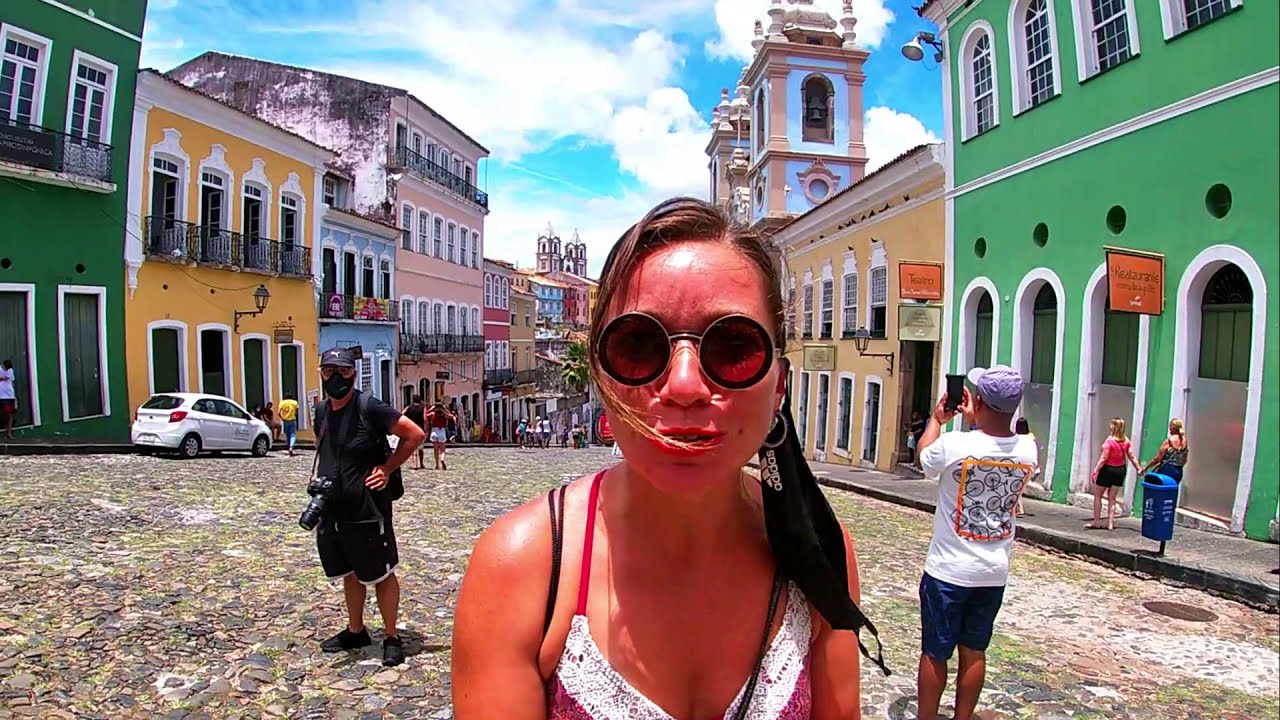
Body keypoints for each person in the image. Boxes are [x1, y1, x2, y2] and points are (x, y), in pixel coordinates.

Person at [451, 197, 887, 718]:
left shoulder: (819, 553)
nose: (684, 386)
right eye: (637, 345)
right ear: (600, 378)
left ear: (779, 388)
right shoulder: (521, 567)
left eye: (733, 347)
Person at [915, 365, 1039, 720]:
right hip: (992, 570)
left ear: (978, 400)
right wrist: (977, 420)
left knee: (935, 652)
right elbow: (994, 447)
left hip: (948, 570)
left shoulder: (956, 444)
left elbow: (927, 457)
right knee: (975, 650)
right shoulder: (1028, 451)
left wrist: (938, 420)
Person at [311, 347, 425, 667]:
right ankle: (356, 629)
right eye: (329, 371)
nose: (336, 378)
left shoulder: (369, 406)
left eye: (344, 372)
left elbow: (414, 434)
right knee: (350, 571)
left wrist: (387, 469)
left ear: (354, 373)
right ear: (321, 373)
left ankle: (390, 635)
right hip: (335, 509)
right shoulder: (321, 411)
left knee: (382, 573)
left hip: (369, 509)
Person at [1088, 418, 1142, 531]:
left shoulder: (1110, 441)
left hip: (1107, 469)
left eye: (1111, 424)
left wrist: (1096, 470)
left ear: (1114, 427)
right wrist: (1138, 468)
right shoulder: (1126, 442)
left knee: (1098, 496)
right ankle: (1110, 523)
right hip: (1120, 471)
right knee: (1112, 498)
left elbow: (1104, 458)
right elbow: (1132, 456)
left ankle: (1097, 522)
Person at [1141, 418, 1189, 483]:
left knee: (1157, 489)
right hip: (1178, 472)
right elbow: (1184, 460)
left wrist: (1146, 467)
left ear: (1172, 428)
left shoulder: (1169, 441)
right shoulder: (1184, 441)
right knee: (1171, 491)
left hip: (1167, 470)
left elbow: (1157, 459)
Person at [1013, 417, 1038, 517]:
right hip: (1031, 466)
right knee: (1020, 488)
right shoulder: (1031, 437)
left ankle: (1018, 509)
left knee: (1017, 488)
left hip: (1018, 465)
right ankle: (1020, 509)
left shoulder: (1015, 438)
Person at [426, 402, 455, 470]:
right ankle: (442, 459)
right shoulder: (444, 415)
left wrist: (430, 409)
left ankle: (436, 464)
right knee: (442, 450)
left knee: (435, 450)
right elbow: (451, 416)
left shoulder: (433, 414)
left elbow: (425, 415)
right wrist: (445, 409)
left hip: (434, 431)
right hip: (442, 431)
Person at [402, 395, 428, 470]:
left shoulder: (408, 408)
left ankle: (414, 464)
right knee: (420, 448)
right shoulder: (423, 408)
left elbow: (402, 414)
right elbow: (425, 418)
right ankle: (421, 463)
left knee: (412, 448)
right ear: (420, 401)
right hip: (420, 429)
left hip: (410, 428)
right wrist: (426, 428)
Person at [0, 359, 15, 439]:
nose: (7, 370)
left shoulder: (10, 370)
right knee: (6, 412)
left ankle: (9, 432)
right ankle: (6, 429)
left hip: (10, 395)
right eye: (6, 368)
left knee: (10, 414)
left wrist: (14, 395)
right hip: (1, 395)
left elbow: (11, 381)